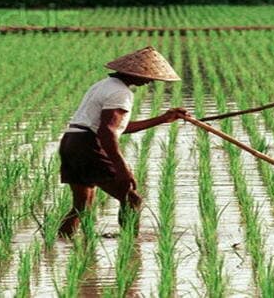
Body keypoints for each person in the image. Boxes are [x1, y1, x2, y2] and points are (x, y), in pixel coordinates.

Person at [58, 46, 187, 237]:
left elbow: (116, 127)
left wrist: (163, 118)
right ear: (132, 73)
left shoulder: (103, 85)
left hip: (72, 141)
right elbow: (107, 132)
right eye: (147, 76)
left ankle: (57, 245)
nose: (149, 80)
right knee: (132, 199)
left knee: (81, 207)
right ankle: (130, 247)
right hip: (88, 145)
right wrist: (122, 168)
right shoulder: (121, 93)